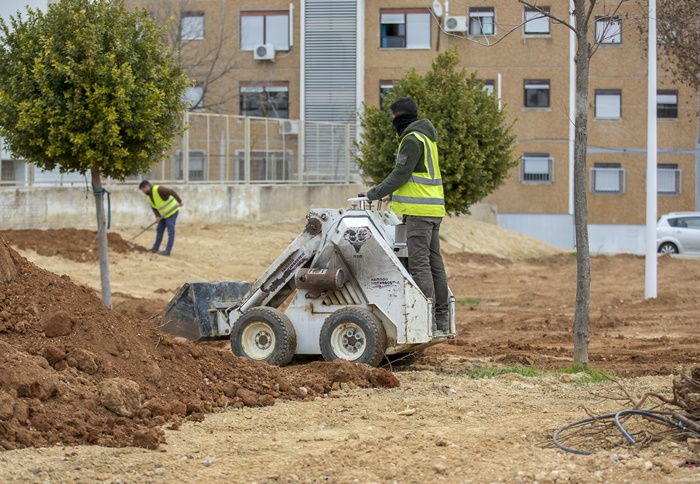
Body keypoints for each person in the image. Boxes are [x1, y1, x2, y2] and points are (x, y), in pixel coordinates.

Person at [362, 96, 449, 333]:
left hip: (418, 213)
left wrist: (374, 193)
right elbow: (416, 177)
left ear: (399, 117)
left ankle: (426, 320)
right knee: (434, 265)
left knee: (420, 266)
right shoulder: (427, 138)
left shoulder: (411, 139)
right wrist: (392, 196)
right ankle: (441, 318)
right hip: (432, 209)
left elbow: (400, 174)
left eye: (393, 118)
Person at [138, 180, 184, 256]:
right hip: (164, 215)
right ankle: (155, 247)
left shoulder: (159, 189)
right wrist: (157, 217)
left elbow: (171, 191)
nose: (143, 192)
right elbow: (154, 208)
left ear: (146, 187)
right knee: (159, 229)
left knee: (170, 230)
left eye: (143, 190)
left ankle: (168, 250)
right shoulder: (149, 197)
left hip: (172, 212)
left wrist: (179, 201)